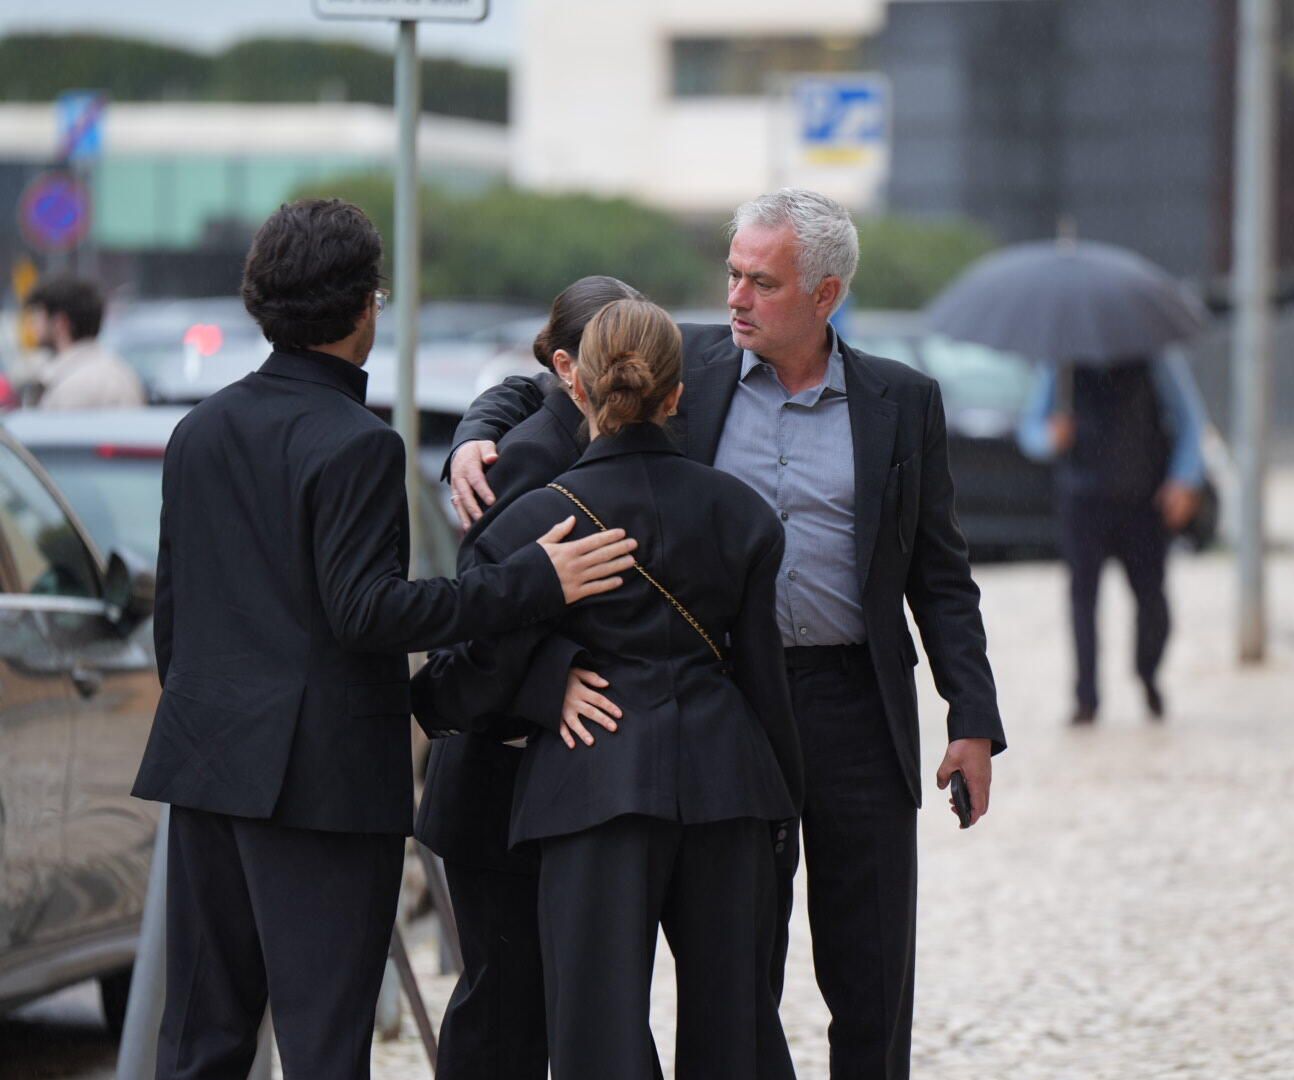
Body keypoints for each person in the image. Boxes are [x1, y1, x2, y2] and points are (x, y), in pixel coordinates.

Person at [443, 188, 1006, 1080]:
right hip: (730, 711)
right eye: (732, 274)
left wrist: (970, 718)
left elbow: (941, 577)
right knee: (739, 980)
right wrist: (474, 437)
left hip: (859, 708)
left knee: (871, 972)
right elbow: (547, 383)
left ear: (826, 296)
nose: (736, 297)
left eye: (762, 282)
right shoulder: (684, 372)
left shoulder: (902, 403)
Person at [130, 198, 637, 1080]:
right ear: (367, 306)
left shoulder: (197, 428)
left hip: (206, 762)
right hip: (323, 788)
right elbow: (366, 612)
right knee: (325, 1043)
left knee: (201, 1039)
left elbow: (175, 619)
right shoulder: (357, 445)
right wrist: (532, 581)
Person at [417, 298, 802, 1079]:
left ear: (579, 388)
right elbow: (766, 680)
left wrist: (476, 692)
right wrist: (784, 811)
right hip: (729, 788)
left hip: (589, 788)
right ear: (677, 396)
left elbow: (465, 684)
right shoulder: (744, 514)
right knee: (736, 1036)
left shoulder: (532, 522)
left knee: (599, 1040)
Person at [412, 275, 643, 1080]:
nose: (633, 366)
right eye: (613, 352)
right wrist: (549, 681)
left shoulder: (620, 432)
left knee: (566, 1007)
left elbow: (515, 383)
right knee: (503, 1012)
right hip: (498, 785)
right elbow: (476, 633)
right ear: (572, 369)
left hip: (577, 781)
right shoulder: (531, 460)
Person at [1016, 350, 1208, 724]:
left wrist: (1184, 479)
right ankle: (1086, 697)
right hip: (1082, 500)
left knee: (1152, 599)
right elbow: (1032, 428)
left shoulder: (1156, 355)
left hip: (1143, 500)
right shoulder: (1062, 362)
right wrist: (1050, 437)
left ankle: (1148, 672)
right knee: (1082, 600)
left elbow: (1189, 421)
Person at [21, 275, 146, 409]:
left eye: (38, 316)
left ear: (60, 323)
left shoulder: (71, 387)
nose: (33, 325)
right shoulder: (122, 372)